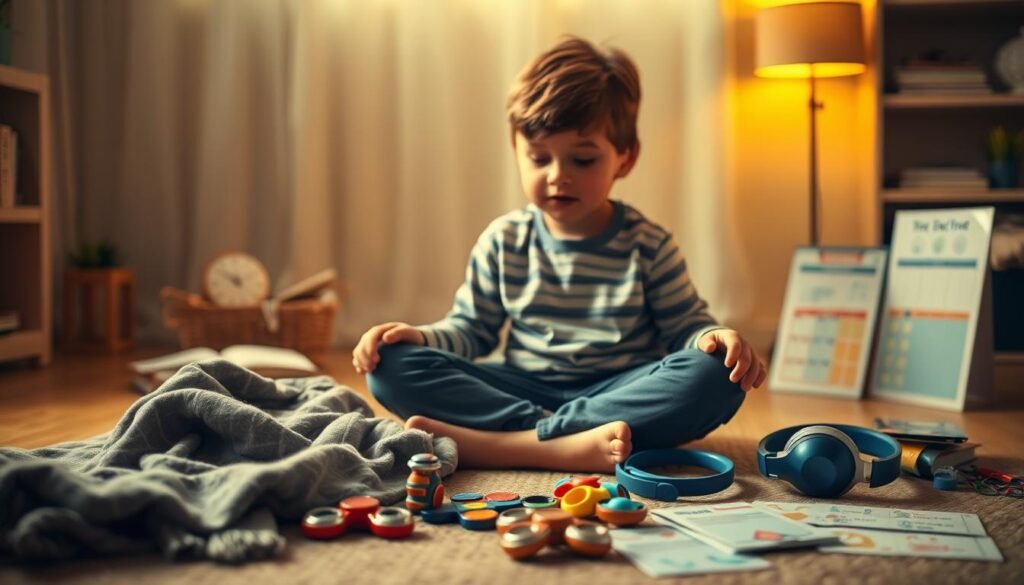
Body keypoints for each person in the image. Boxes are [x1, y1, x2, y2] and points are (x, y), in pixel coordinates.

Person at [353, 36, 766, 473]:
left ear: (624, 159)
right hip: (522, 392)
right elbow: (471, 330)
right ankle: (561, 441)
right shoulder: (504, 240)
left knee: (718, 373)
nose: (557, 176)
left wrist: (714, 336)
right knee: (389, 364)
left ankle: (508, 445)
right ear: (517, 153)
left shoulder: (649, 244)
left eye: (582, 161)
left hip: (617, 393)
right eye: (539, 158)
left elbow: (685, 326)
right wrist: (418, 337)